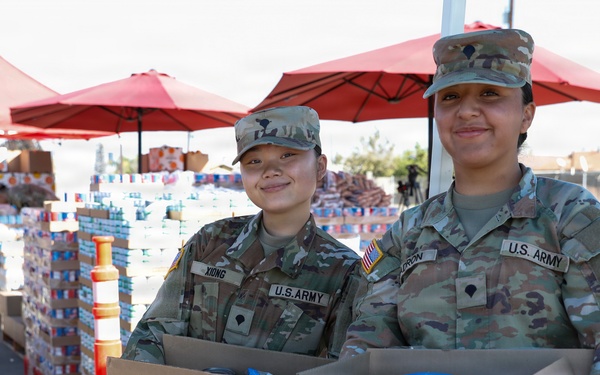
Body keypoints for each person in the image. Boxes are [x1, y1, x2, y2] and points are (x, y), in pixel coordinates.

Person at [341, 28, 600, 375]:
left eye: (490, 93)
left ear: (526, 115)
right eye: (450, 97)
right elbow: (366, 346)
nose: (466, 111)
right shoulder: (408, 232)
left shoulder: (572, 216)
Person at [123, 106, 360, 363]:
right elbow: (153, 334)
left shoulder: (344, 271)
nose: (270, 170)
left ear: (320, 166)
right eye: (254, 161)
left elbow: (344, 365)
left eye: (288, 155)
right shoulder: (209, 242)